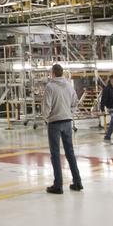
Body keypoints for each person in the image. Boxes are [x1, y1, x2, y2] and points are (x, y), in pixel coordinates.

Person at [43, 64, 83, 194]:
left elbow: (46, 106)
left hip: (54, 122)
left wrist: (46, 117)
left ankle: (58, 185)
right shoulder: (69, 86)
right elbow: (75, 102)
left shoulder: (50, 87)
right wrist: (69, 112)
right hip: (67, 122)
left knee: (55, 154)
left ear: (53, 73)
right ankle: (77, 182)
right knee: (70, 152)